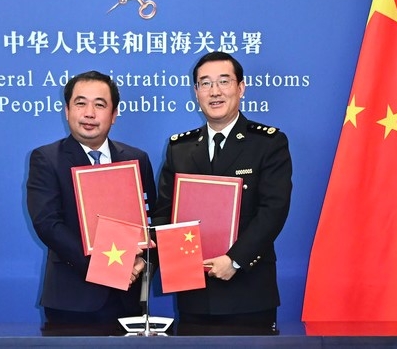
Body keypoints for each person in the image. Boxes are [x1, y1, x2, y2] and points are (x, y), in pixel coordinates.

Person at [153, 51, 292, 334]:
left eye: (223, 82)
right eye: (205, 83)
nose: (214, 91)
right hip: (194, 294)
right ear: (196, 92)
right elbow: (164, 214)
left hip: (249, 290)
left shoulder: (268, 143)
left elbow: (273, 211)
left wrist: (235, 260)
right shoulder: (179, 148)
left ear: (241, 88)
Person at [26, 70, 157, 326]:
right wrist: (106, 266)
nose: (89, 113)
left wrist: (143, 261)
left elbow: (151, 220)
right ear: (67, 110)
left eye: (100, 104)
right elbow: (48, 224)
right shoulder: (46, 159)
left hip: (128, 298)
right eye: (80, 103)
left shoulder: (136, 159)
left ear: (114, 114)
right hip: (72, 301)